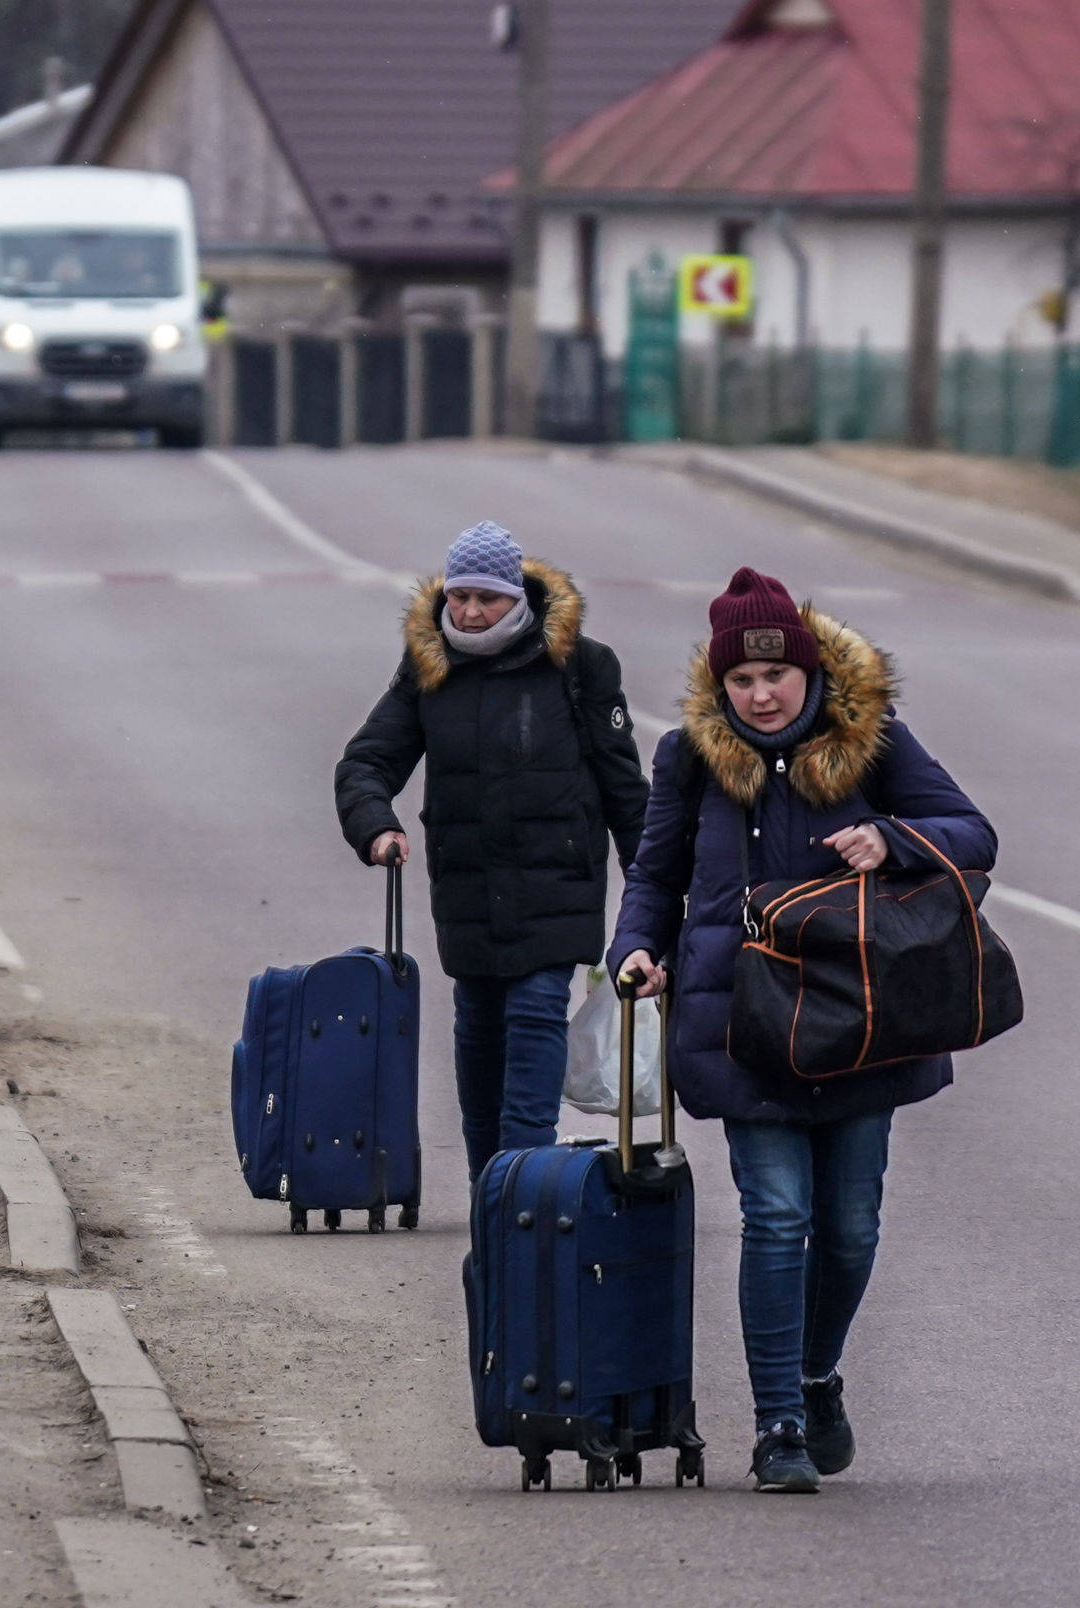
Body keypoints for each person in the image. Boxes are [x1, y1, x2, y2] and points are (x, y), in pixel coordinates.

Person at [611, 568, 994, 1495]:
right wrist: (635, 949)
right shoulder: (690, 759)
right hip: (742, 1015)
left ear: (810, 669)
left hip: (861, 1014)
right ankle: (778, 1421)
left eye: (775, 676)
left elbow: (969, 831)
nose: (761, 694)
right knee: (776, 1218)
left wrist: (892, 842)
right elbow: (657, 874)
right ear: (719, 684)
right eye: (741, 681)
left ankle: (818, 1377)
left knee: (850, 1229)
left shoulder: (872, 742)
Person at [334, 521, 647, 1185]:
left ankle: (523, 1184)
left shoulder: (581, 668)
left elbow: (626, 790)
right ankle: (491, 1190)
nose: (471, 612)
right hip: (468, 890)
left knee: (535, 1014)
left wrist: (653, 902)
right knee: (478, 1033)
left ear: (520, 598)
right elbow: (367, 760)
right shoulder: (427, 671)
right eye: (460, 597)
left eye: (489, 598)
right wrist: (375, 827)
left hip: (556, 886)